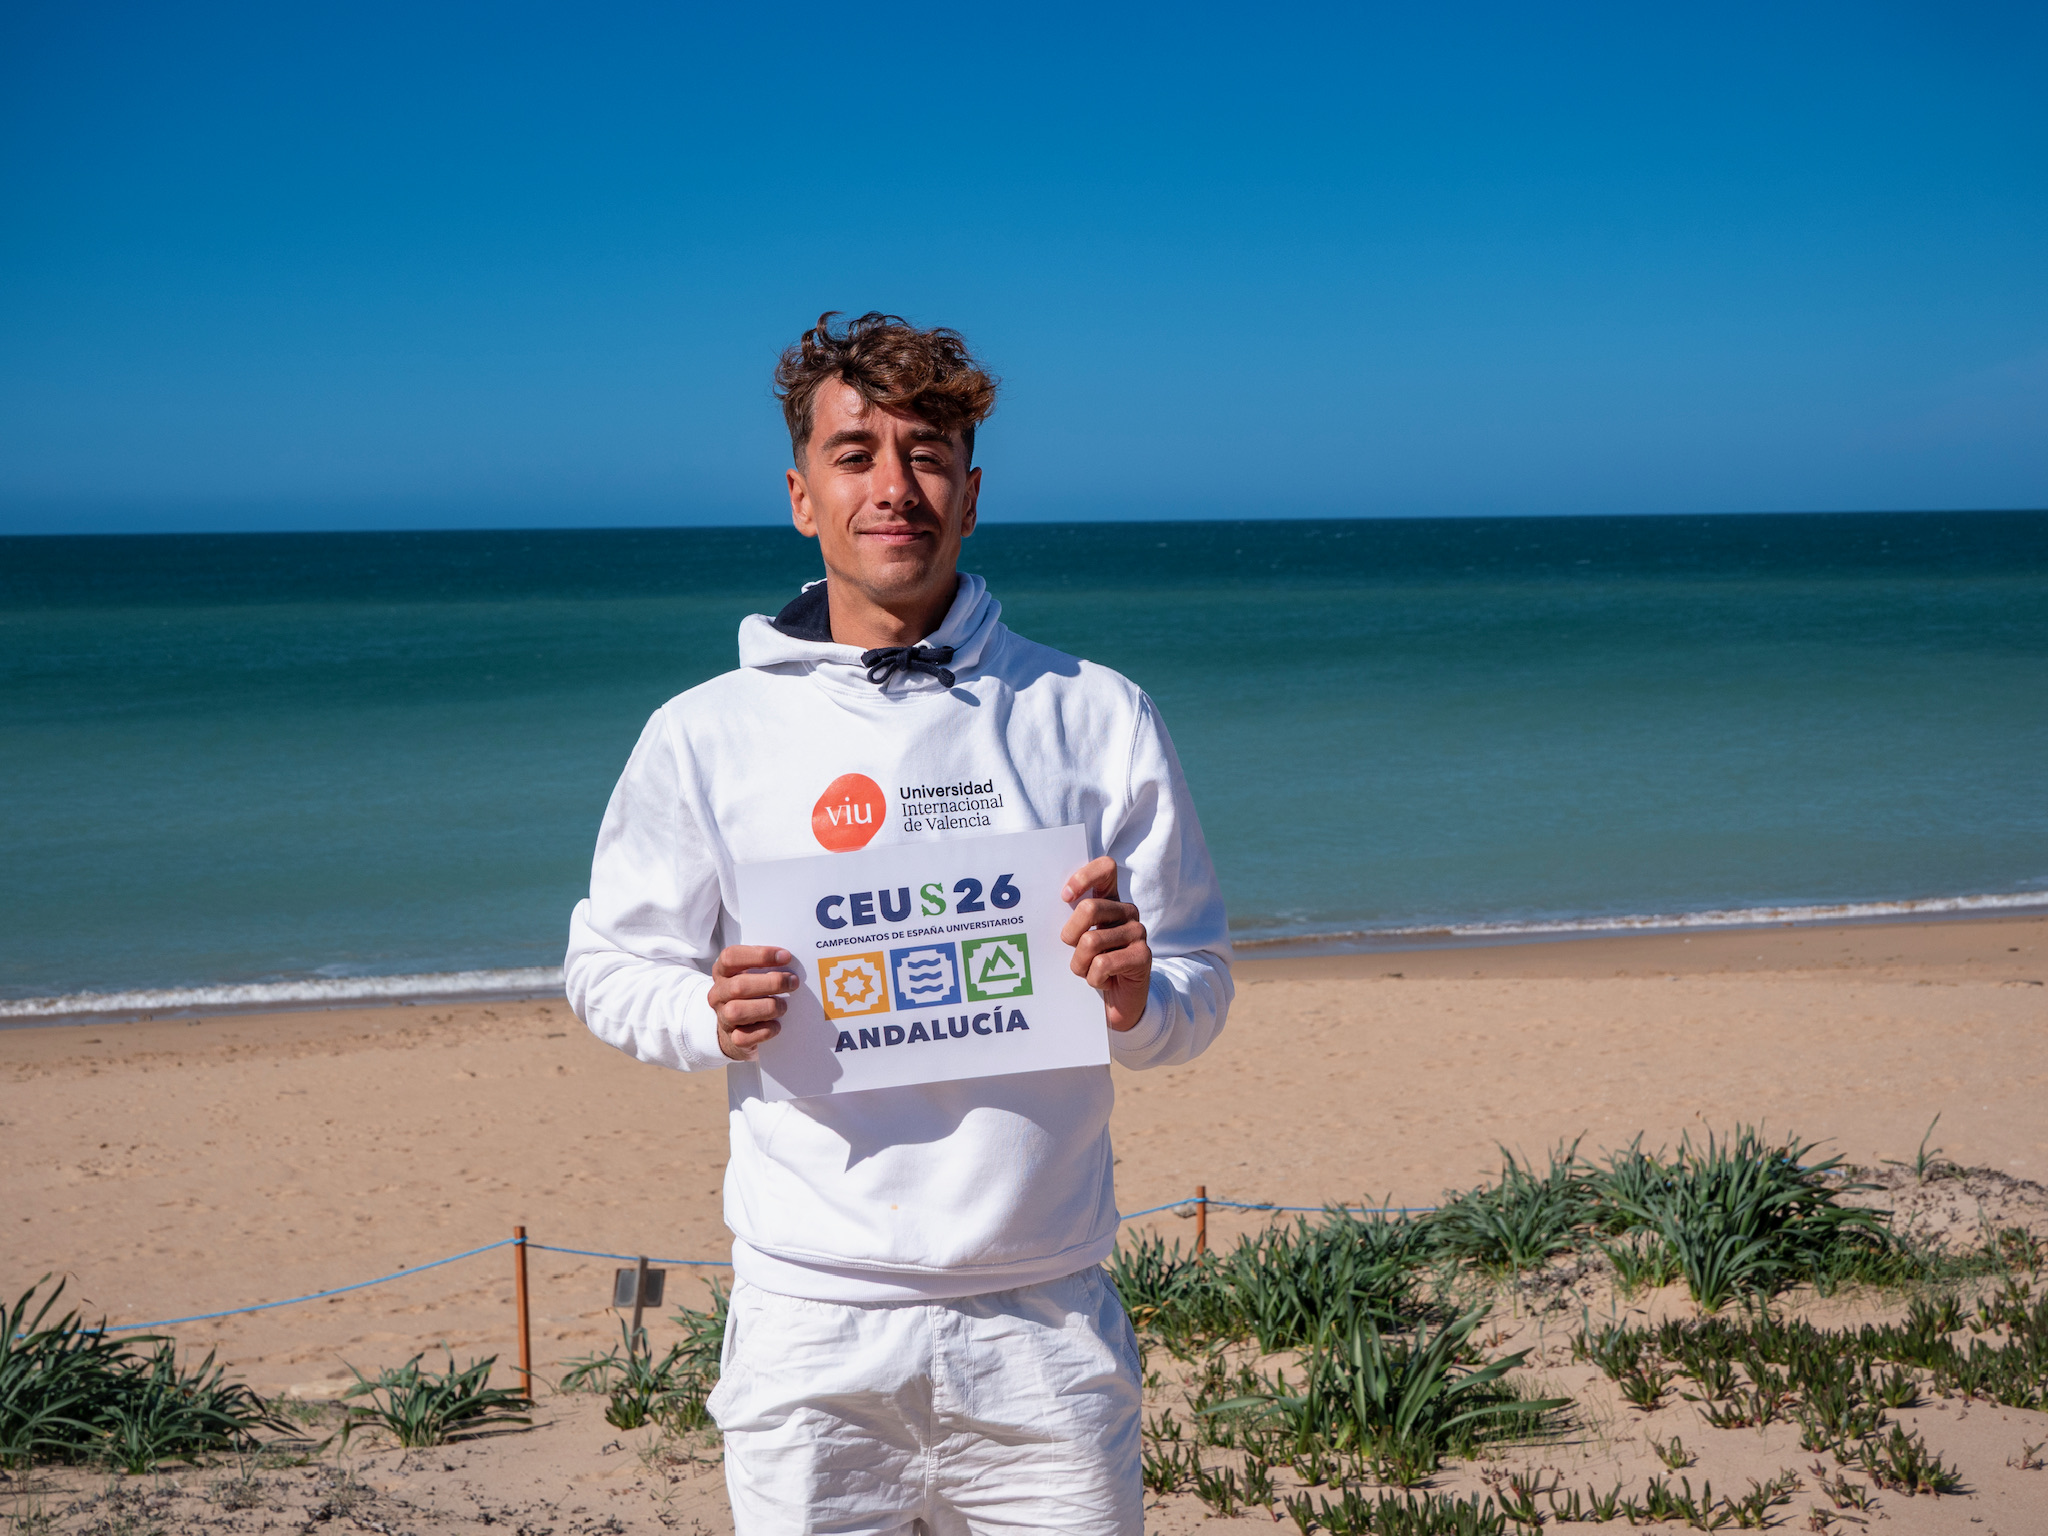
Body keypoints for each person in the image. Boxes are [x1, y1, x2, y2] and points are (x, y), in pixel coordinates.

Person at [565, 312, 1233, 1534]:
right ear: (800, 495)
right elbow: (606, 966)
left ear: (969, 494)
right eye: (855, 452)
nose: (893, 486)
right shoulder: (704, 732)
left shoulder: (1094, 712)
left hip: (1046, 1324)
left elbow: (1196, 986)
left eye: (925, 453)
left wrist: (1139, 999)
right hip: (809, 1329)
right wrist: (702, 1012)